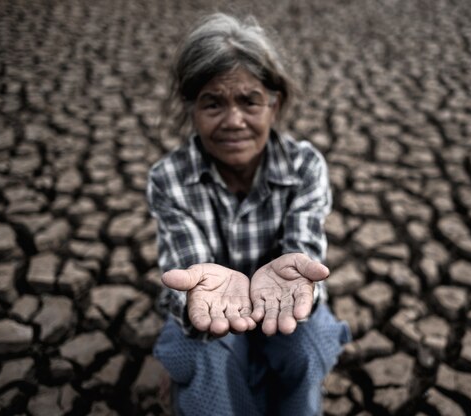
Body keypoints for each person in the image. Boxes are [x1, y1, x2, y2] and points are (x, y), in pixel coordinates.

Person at [147, 13, 350, 416]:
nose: (234, 121)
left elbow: (304, 250)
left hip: (281, 306)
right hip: (215, 314)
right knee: (205, 356)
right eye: (213, 103)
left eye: (249, 100)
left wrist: (301, 286)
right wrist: (195, 294)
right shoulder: (170, 178)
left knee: (308, 347)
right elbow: (191, 268)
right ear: (190, 108)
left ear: (274, 104)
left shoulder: (304, 166)